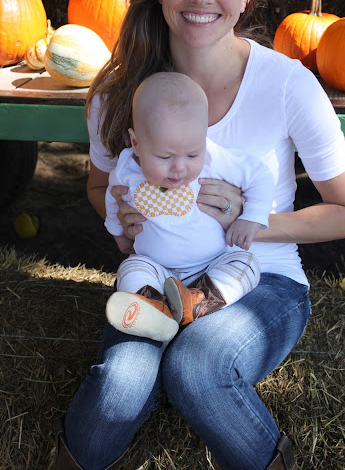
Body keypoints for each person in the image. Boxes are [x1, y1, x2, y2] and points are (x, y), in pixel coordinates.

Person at [54, 0, 345, 470]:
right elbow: (100, 188)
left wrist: (248, 223)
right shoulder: (119, 91)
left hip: (262, 277)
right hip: (159, 279)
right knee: (121, 384)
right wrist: (121, 219)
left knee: (196, 367)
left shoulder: (287, 84)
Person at [104, 71, 274, 342]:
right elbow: (113, 199)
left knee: (246, 264)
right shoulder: (125, 169)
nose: (179, 168)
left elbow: (259, 175)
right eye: (164, 157)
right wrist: (118, 234)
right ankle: (153, 308)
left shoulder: (214, 158)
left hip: (211, 265)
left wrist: (250, 218)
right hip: (156, 267)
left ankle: (195, 302)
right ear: (136, 143)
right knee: (131, 268)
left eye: (192, 154)